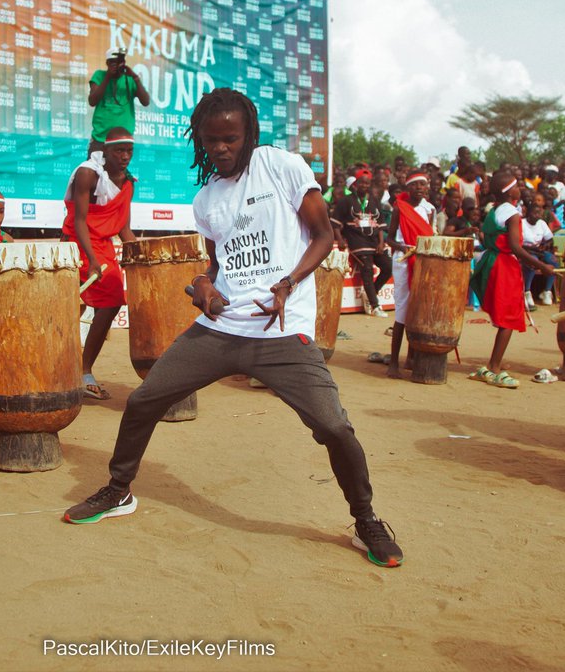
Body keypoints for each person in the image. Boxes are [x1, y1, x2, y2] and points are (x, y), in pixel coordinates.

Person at [62, 88, 404, 568]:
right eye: (211, 141)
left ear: (249, 136)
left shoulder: (280, 166)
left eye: (230, 139)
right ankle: (119, 490)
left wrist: (288, 283)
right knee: (143, 401)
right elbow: (218, 262)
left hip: (283, 332)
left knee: (333, 426)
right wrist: (202, 284)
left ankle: (366, 519)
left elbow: (324, 235)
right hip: (221, 329)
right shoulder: (206, 199)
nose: (221, 148)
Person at [62, 126, 136, 399]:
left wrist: (142, 254)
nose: (125, 156)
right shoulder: (87, 173)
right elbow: (79, 220)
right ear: (105, 150)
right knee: (73, 306)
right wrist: (91, 260)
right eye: (119, 150)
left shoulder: (128, 182)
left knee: (113, 301)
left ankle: (82, 369)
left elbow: (124, 229)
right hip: (77, 242)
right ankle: (73, 370)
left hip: (102, 246)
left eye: (129, 150)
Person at [468, 170, 555, 389]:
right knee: (508, 317)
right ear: (509, 191)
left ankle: (493, 364)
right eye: (517, 185)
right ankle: (494, 367)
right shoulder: (512, 213)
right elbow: (516, 246)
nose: (521, 188)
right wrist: (541, 265)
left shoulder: (495, 210)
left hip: (493, 262)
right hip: (504, 265)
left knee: (504, 316)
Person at [386, 172, 435, 379]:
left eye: (423, 185)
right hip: (404, 260)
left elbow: (430, 235)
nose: (420, 188)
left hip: (423, 260)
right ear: (409, 188)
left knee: (419, 308)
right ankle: (394, 362)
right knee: (403, 310)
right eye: (415, 185)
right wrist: (404, 247)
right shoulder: (399, 208)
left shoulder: (430, 209)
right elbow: (390, 238)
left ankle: (411, 357)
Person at [335, 168, 390, 317]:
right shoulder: (346, 201)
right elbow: (335, 222)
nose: (364, 186)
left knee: (388, 266)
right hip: (357, 241)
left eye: (367, 183)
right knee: (367, 269)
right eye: (361, 183)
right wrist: (339, 239)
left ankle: (372, 293)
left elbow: (380, 224)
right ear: (355, 184)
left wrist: (381, 242)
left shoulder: (374, 201)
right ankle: (375, 306)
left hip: (374, 242)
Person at [88, 48, 150, 151]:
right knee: (93, 167)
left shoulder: (130, 79)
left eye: (121, 62)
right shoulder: (99, 75)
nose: (117, 65)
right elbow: (92, 101)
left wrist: (135, 78)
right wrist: (108, 76)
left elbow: (146, 102)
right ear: (107, 63)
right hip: (101, 139)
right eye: (114, 63)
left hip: (123, 139)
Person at [520, 200, 557, 307]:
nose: (537, 216)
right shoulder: (521, 223)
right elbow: (518, 243)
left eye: (539, 214)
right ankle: (527, 291)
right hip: (525, 252)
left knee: (553, 261)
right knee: (533, 262)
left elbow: (549, 239)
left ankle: (547, 291)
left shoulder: (541, 224)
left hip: (539, 250)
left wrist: (545, 246)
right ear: (528, 213)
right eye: (534, 213)